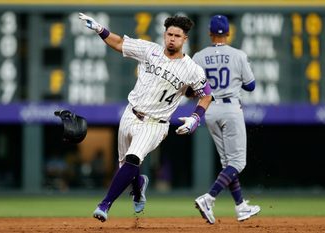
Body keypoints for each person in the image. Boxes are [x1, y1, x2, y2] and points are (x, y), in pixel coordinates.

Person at [79, 13, 212, 222]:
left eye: (177, 35)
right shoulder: (149, 50)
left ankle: (104, 204)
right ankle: (138, 183)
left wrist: (196, 117)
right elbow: (120, 44)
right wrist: (99, 30)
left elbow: (207, 94)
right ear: (164, 34)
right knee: (125, 168)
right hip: (130, 114)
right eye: (169, 34)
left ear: (185, 39)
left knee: (133, 158)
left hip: (155, 124)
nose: (172, 39)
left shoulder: (192, 69)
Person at [192, 15, 260, 224]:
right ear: (228, 33)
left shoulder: (199, 56)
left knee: (227, 164)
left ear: (210, 33)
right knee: (238, 162)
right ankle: (209, 198)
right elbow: (250, 86)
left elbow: (191, 85)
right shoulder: (238, 55)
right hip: (230, 108)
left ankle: (240, 207)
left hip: (209, 109)